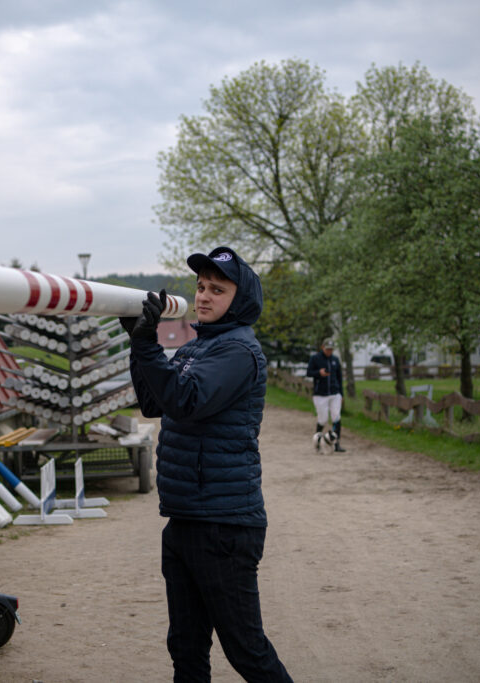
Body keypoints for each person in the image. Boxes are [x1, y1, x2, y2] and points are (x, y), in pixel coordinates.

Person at [121, 246, 292, 683]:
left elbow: (186, 400)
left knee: (247, 652)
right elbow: (155, 402)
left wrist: (147, 345)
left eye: (218, 289)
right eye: (200, 286)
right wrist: (139, 345)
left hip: (223, 525)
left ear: (240, 300)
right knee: (186, 648)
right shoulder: (202, 346)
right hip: (186, 518)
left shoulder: (238, 351)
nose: (203, 296)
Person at [306, 337, 346, 453]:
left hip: (335, 393)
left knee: (336, 417)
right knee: (322, 419)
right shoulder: (315, 358)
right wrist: (319, 373)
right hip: (320, 394)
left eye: (331, 349)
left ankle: (336, 443)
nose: (329, 351)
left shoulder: (335, 360)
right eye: (327, 349)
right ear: (322, 347)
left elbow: (339, 377)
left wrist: (341, 394)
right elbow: (308, 372)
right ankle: (317, 441)